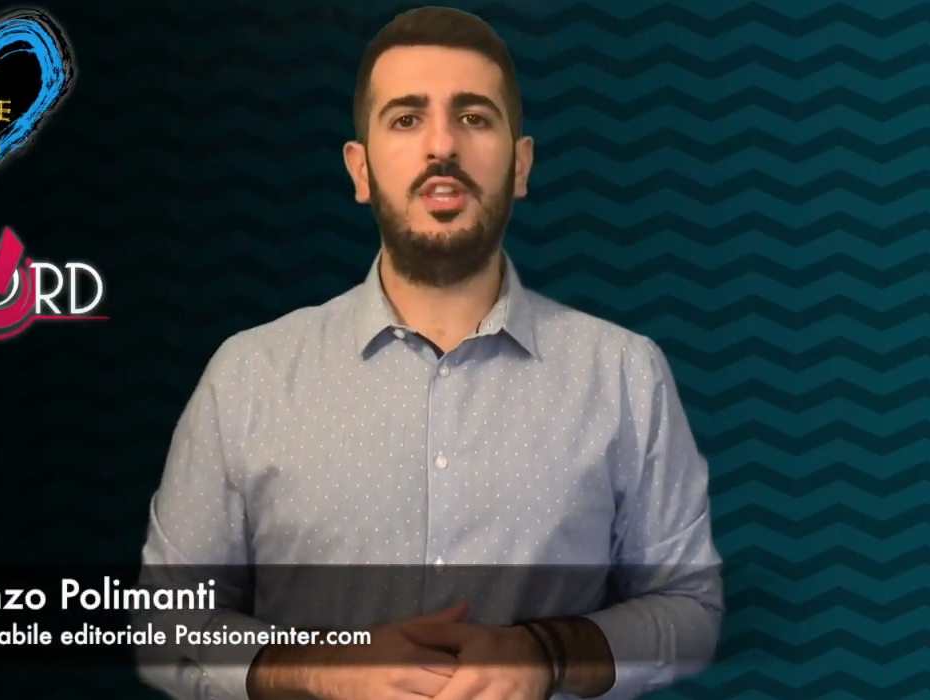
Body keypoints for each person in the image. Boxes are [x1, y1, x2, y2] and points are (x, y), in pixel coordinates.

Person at [135, 6, 723, 700]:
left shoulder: (625, 374)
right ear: (359, 170)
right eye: (406, 119)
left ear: (521, 164)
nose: (442, 145)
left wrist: (547, 653)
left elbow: (689, 611)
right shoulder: (248, 376)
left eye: (473, 117)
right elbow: (164, 626)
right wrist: (319, 668)